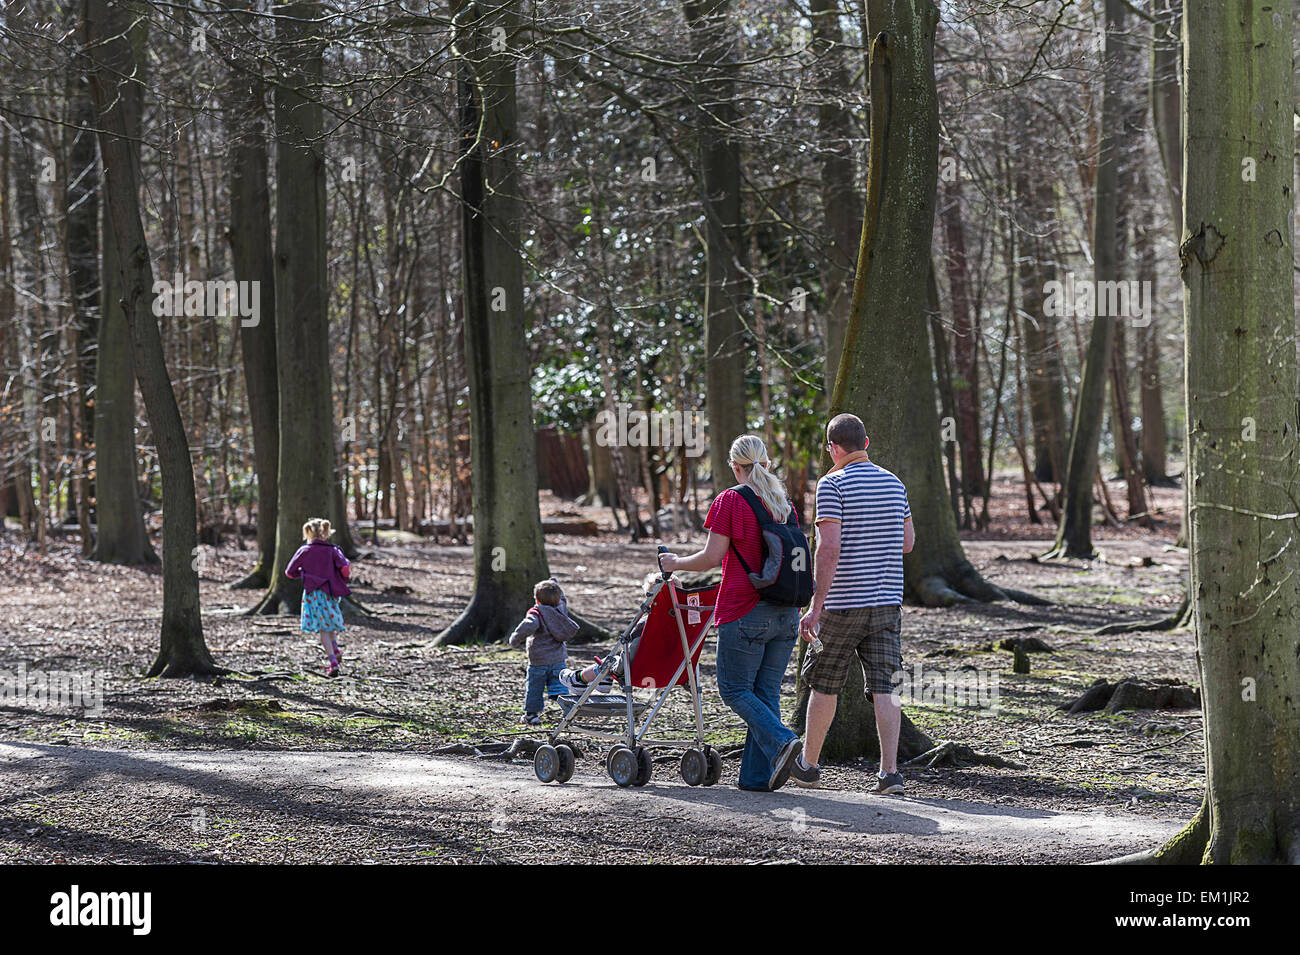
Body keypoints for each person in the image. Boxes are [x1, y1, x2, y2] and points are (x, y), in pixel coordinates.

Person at [660, 434, 803, 792]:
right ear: (766, 464)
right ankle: (756, 778)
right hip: (787, 612)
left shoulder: (730, 500)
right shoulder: (784, 503)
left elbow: (711, 557)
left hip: (746, 610)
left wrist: (675, 563)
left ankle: (783, 741)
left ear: (736, 467)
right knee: (765, 693)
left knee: (735, 690)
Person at [794, 413, 914, 794]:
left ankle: (809, 766)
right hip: (887, 602)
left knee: (824, 683)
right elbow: (908, 542)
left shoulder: (832, 484)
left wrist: (815, 606)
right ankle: (890, 773)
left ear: (833, 448)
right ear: (866, 443)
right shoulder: (895, 484)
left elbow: (829, 547)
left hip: (842, 603)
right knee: (886, 686)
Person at [285, 518, 352, 677]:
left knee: (323, 629)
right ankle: (336, 650)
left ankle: (333, 662)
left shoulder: (304, 550)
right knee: (329, 624)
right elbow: (345, 568)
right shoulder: (334, 550)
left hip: (313, 593)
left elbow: (289, 572)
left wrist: (303, 573)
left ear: (308, 533)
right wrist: (341, 579)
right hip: (330, 592)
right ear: (326, 533)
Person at [509, 577, 580, 725]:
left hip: (538, 661)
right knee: (560, 684)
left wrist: (515, 639)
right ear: (558, 599)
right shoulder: (561, 609)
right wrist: (555, 584)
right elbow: (563, 598)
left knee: (535, 688)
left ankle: (531, 715)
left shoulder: (536, 613)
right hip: (558, 659)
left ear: (537, 600)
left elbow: (527, 626)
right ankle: (568, 709)